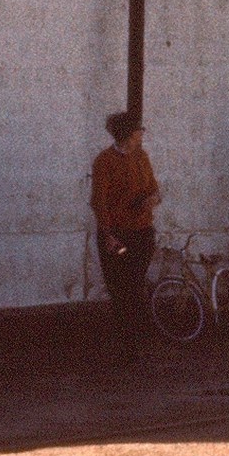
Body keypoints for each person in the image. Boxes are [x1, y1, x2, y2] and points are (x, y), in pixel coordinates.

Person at [90, 112, 160, 364]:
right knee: (122, 288)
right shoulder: (105, 161)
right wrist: (108, 234)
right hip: (118, 236)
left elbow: (153, 187)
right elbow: (99, 202)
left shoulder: (141, 157)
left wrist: (152, 199)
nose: (142, 134)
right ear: (130, 134)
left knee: (135, 284)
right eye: (139, 130)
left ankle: (135, 344)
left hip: (142, 233)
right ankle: (126, 345)